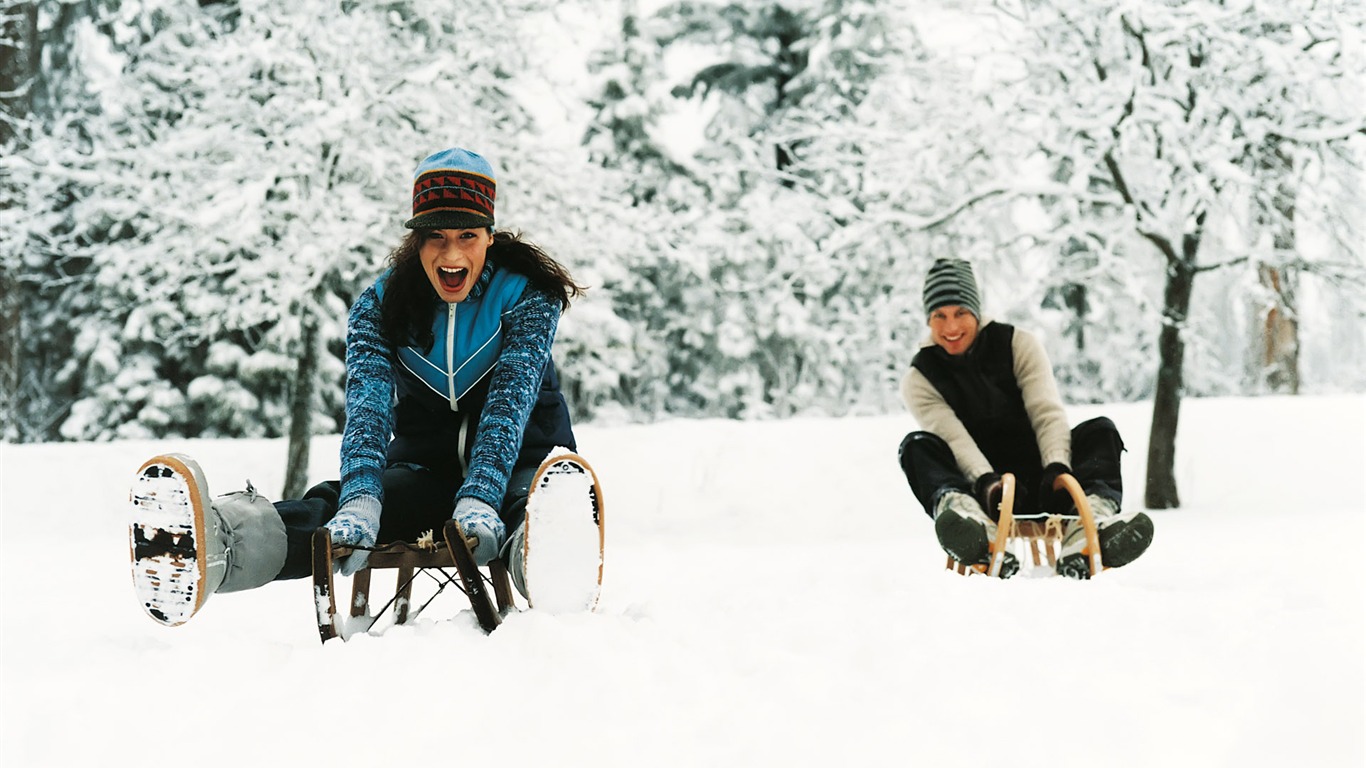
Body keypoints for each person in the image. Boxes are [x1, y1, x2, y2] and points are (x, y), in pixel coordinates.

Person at [129, 147, 587, 626]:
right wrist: (361, 501)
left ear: (489, 237)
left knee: (526, 507)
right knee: (334, 505)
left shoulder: (529, 297)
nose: (451, 254)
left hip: (522, 465)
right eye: (435, 237)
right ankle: (219, 544)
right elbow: (368, 412)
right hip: (426, 471)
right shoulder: (381, 307)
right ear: (416, 240)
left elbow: (508, 405)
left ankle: (559, 558)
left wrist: (482, 496)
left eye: (466, 236)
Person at [897, 258, 1153, 578]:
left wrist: (1057, 468)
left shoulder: (1017, 344)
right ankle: (974, 533)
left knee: (1100, 431)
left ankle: (1088, 529)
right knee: (918, 447)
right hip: (979, 490)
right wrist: (987, 483)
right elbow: (953, 438)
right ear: (928, 320)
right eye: (939, 316)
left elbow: (1045, 412)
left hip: (1041, 473)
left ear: (975, 312)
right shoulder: (920, 377)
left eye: (960, 313)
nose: (951, 327)